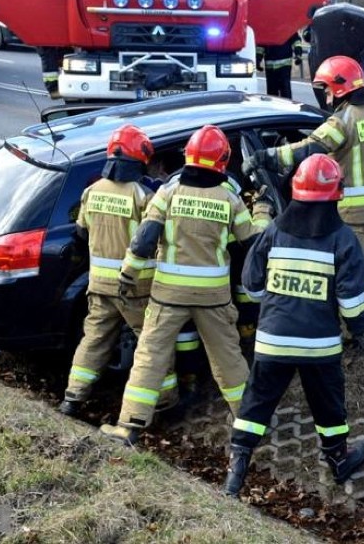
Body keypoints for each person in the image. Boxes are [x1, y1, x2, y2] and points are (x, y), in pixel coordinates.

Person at [100, 125, 271, 444]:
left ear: (188, 156)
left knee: (150, 355)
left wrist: (127, 275)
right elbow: (251, 241)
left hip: (168, 296)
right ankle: (250, 427)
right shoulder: (229, 199)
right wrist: (262, 208)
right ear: (222, 161)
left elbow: (143, 240)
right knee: (229, 360)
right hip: (214, 298)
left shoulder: (168, 192)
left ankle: (129, 427)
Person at [223, 154, 364, 498]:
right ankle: (338, 460)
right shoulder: (344, 240)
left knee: (256, 403)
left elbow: (252, 285)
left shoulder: (273, 231)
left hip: (272, 342)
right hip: (320, 347)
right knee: (328, 404)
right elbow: (351, 302)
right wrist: (359, 330)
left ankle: (235, 472)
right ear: (337, 195)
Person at [244, 55, 364, 334]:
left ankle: (350, 328)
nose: (326, 96)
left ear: (340, 88)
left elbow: (308, 149)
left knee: (349, 270)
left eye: (327, 89)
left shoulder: (344, 120)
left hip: (355, 211)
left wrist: (265, 156)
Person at [59, 124, 168, 416]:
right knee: (151, 346)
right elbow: (154, 239)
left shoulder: (91, 192)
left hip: (98, 286)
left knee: (94, 339)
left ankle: (72, 398)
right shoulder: (142, 196)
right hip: (136, 287)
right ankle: (166, 401)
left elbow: (80, 236)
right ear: (139, 159)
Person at [256, 33, 304, 98]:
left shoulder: (286, 27)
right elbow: (261, 46)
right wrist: (258, 60)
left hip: (282, 64)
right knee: (274, 93)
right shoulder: (268, 29)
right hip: (273, 65)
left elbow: (296, 41)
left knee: (283, 91)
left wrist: (298, 54)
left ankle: (285, 107)